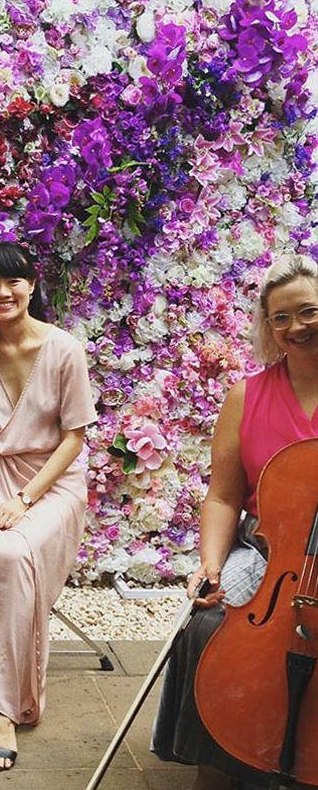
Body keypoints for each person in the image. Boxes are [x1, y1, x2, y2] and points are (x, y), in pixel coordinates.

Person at [151, 254, 318, 790]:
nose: (297, 327)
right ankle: (220, 763)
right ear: (268, 327)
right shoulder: (247, 394)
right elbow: (223, 497)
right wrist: (211, 564)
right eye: (281, 317)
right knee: (208, 623)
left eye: (310, 311)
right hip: (271, 553)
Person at [0, 241, 97, 772]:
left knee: (10, 555)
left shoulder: (64, 349)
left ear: (32, 285)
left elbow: (75, 438)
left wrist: (26, 500)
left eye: (13, 282)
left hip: (52, 484)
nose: (2, 292)